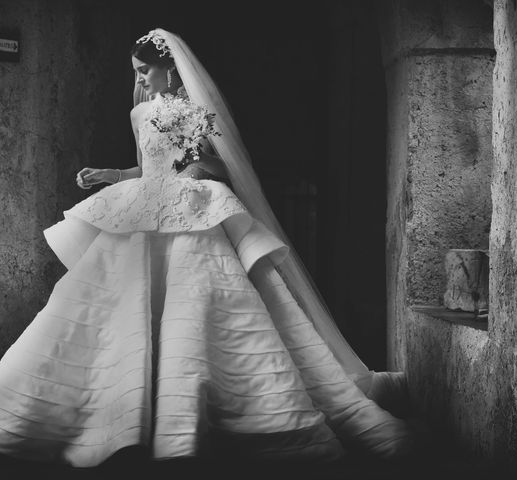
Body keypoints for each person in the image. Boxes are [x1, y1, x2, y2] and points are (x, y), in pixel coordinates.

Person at [0, 28, 413, 468]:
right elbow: (145, 167)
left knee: (196, 302)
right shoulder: (140, 112)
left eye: (145, 70)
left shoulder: (198, 108)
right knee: (109, 303)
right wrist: (108, 174)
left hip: (190, 205)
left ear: (169, 68)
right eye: (136, 73)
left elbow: (225, 164)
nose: (140, 79)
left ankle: (197, 419)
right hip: (145, 205)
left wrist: (201, 167)